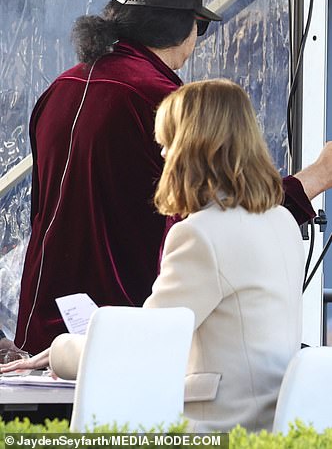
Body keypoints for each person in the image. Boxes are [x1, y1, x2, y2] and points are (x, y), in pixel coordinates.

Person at [15, 0, 332, 354]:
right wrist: (317, 177)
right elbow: (233, 215)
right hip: (122, 338)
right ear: (189, 28)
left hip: (39, 331)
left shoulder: (60, 89)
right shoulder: (168, 102)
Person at [3, 79, 306, 432]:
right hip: (267, 425)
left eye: (168, 142)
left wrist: (57, 350)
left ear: (194, 147)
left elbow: (145, 345)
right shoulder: (281, 221)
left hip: (212, 427)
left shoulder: (201, 234)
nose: (162, 154)